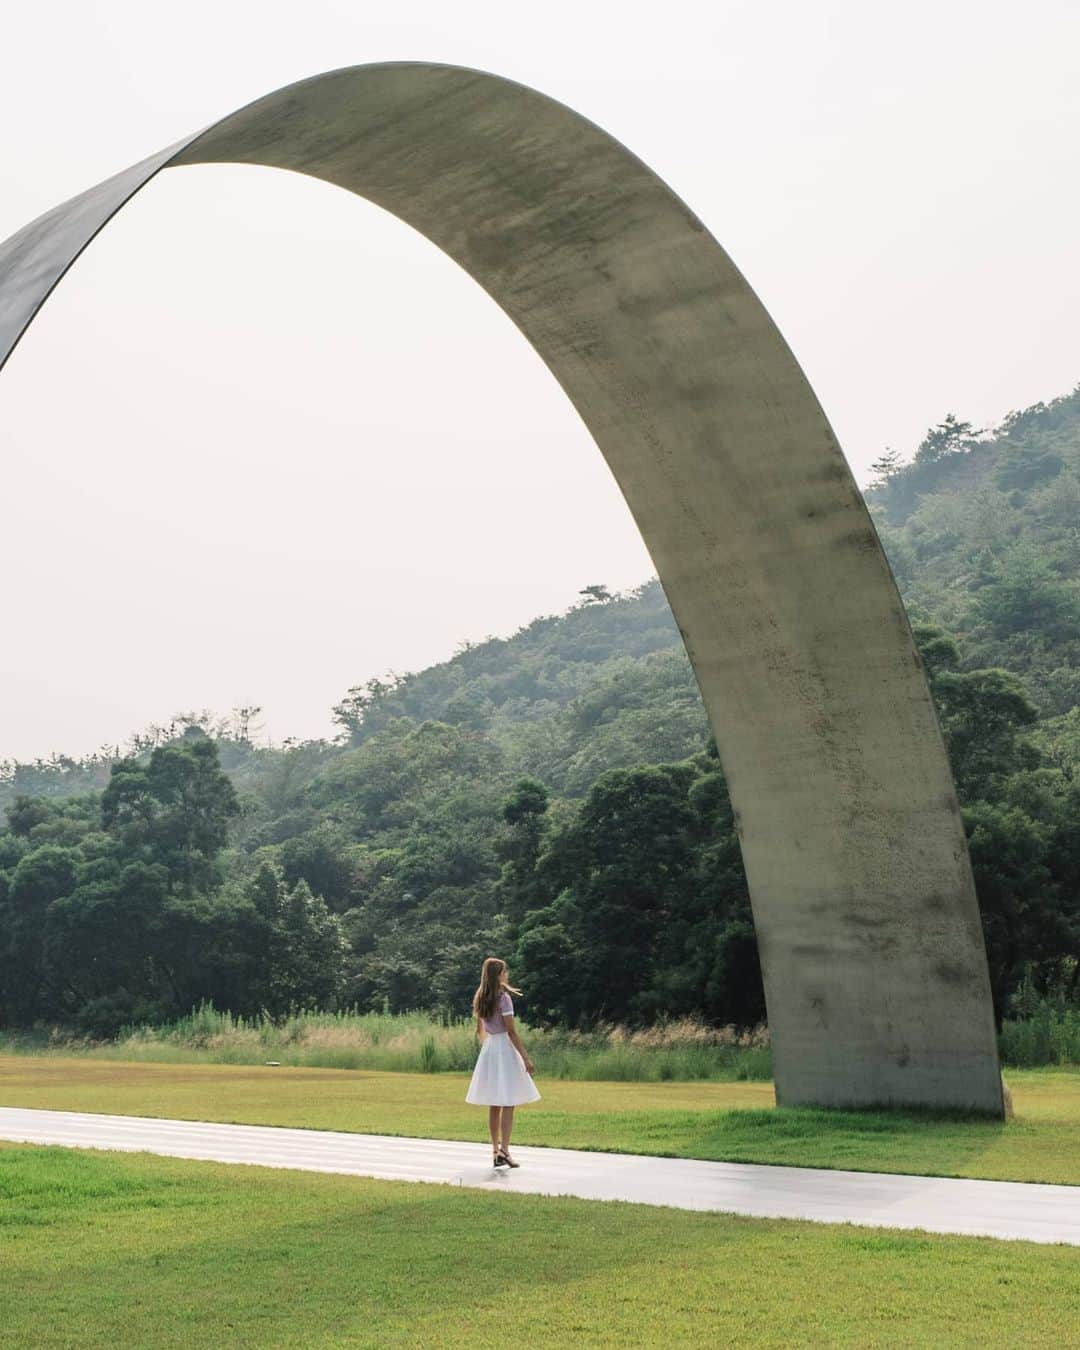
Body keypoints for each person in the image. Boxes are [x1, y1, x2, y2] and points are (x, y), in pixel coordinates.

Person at [465, 956, 540, 1167]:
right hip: (504, 1048)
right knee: (508, 1101)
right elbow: (511, 1031)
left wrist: (488, 1050)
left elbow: (480, 1031)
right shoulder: (504, 998)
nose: (507, 975)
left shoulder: (481, 997)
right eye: (505, 971)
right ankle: (505, 1150)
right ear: (499, 975)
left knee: (494, 1103)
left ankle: (495, 1151)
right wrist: (525, 1057)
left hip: (490, 1049)